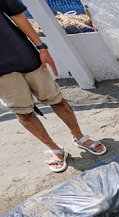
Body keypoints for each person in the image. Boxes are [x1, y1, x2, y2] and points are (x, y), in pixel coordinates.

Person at [0, 0, 107, 173]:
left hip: (24, 57)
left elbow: (17, 15)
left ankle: (79, 136)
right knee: (24, 113)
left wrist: (42, 48)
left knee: (56, 100)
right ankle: (55, 149)